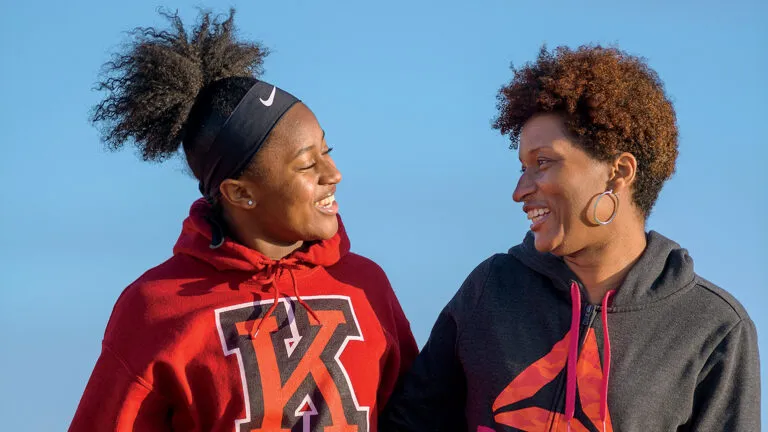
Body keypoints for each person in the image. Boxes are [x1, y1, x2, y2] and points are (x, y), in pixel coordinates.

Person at [69, 9, 418, 432]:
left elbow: (418, 417)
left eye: (327, 151)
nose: (334, 174)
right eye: (307, 166)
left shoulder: (367, 285)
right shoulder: (154, 307)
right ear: (240, 193)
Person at [381, 45, 760, 431]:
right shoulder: (491, 288)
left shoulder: (712, 327)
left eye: (542, 163)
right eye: (522, 167)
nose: (520, 190)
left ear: (619, 171)